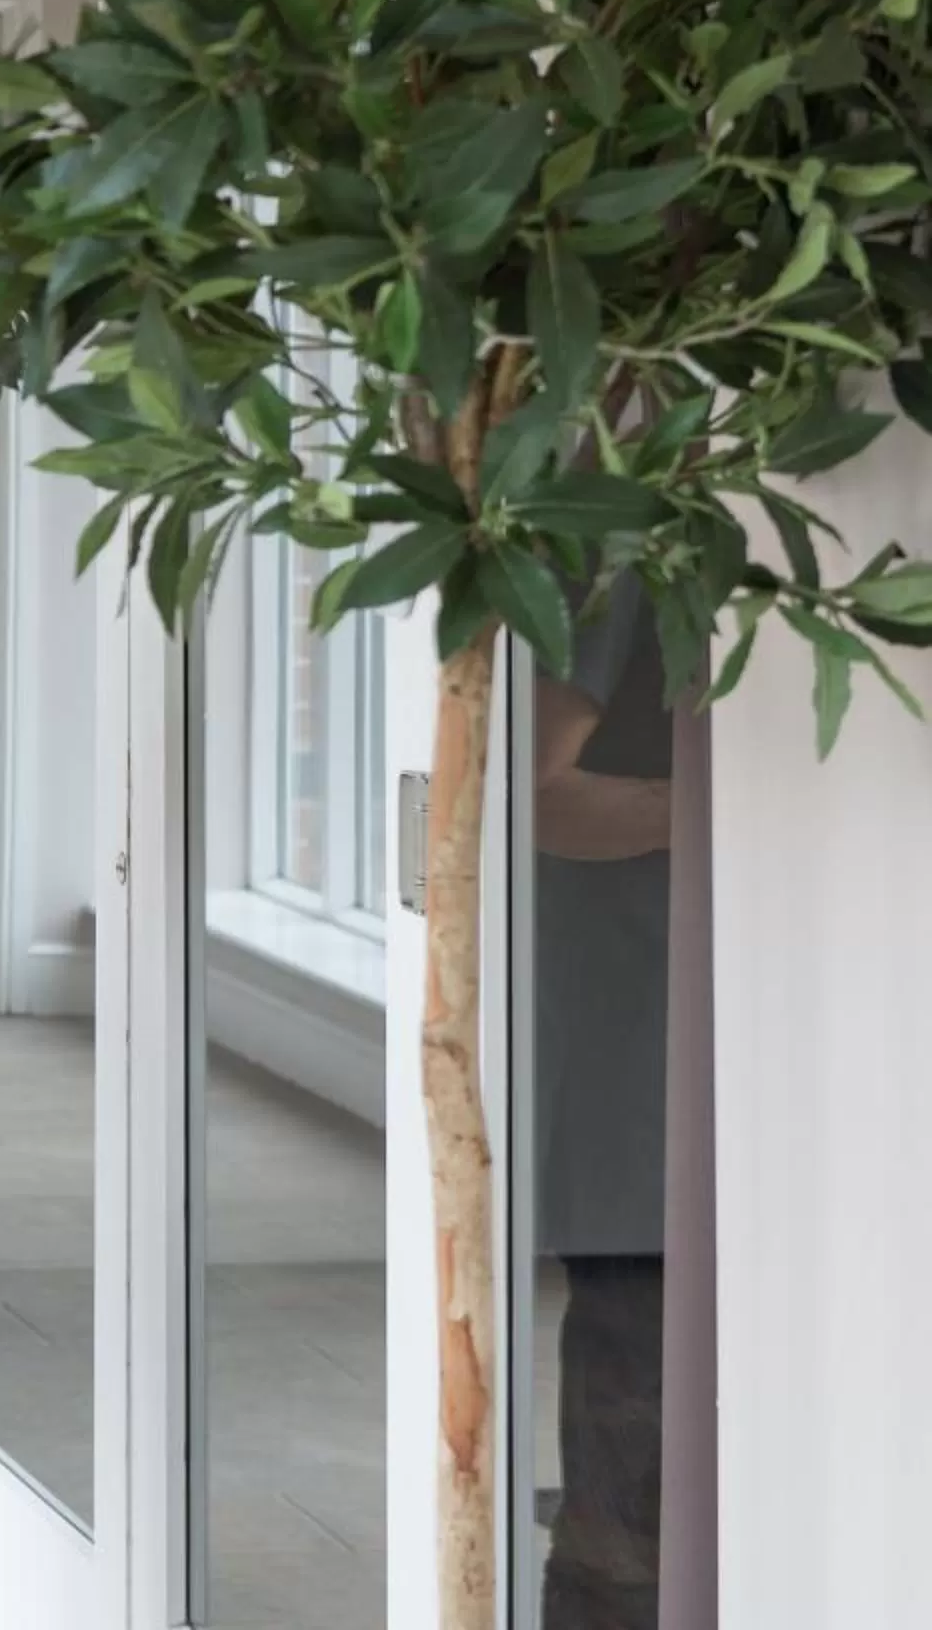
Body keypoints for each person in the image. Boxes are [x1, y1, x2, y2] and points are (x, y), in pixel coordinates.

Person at [531, 570, 676, 1630]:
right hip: (637, 1054)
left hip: (684, 1048)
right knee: (633, 1395)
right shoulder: (614, 542)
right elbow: (539, 789)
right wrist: (733, 810)